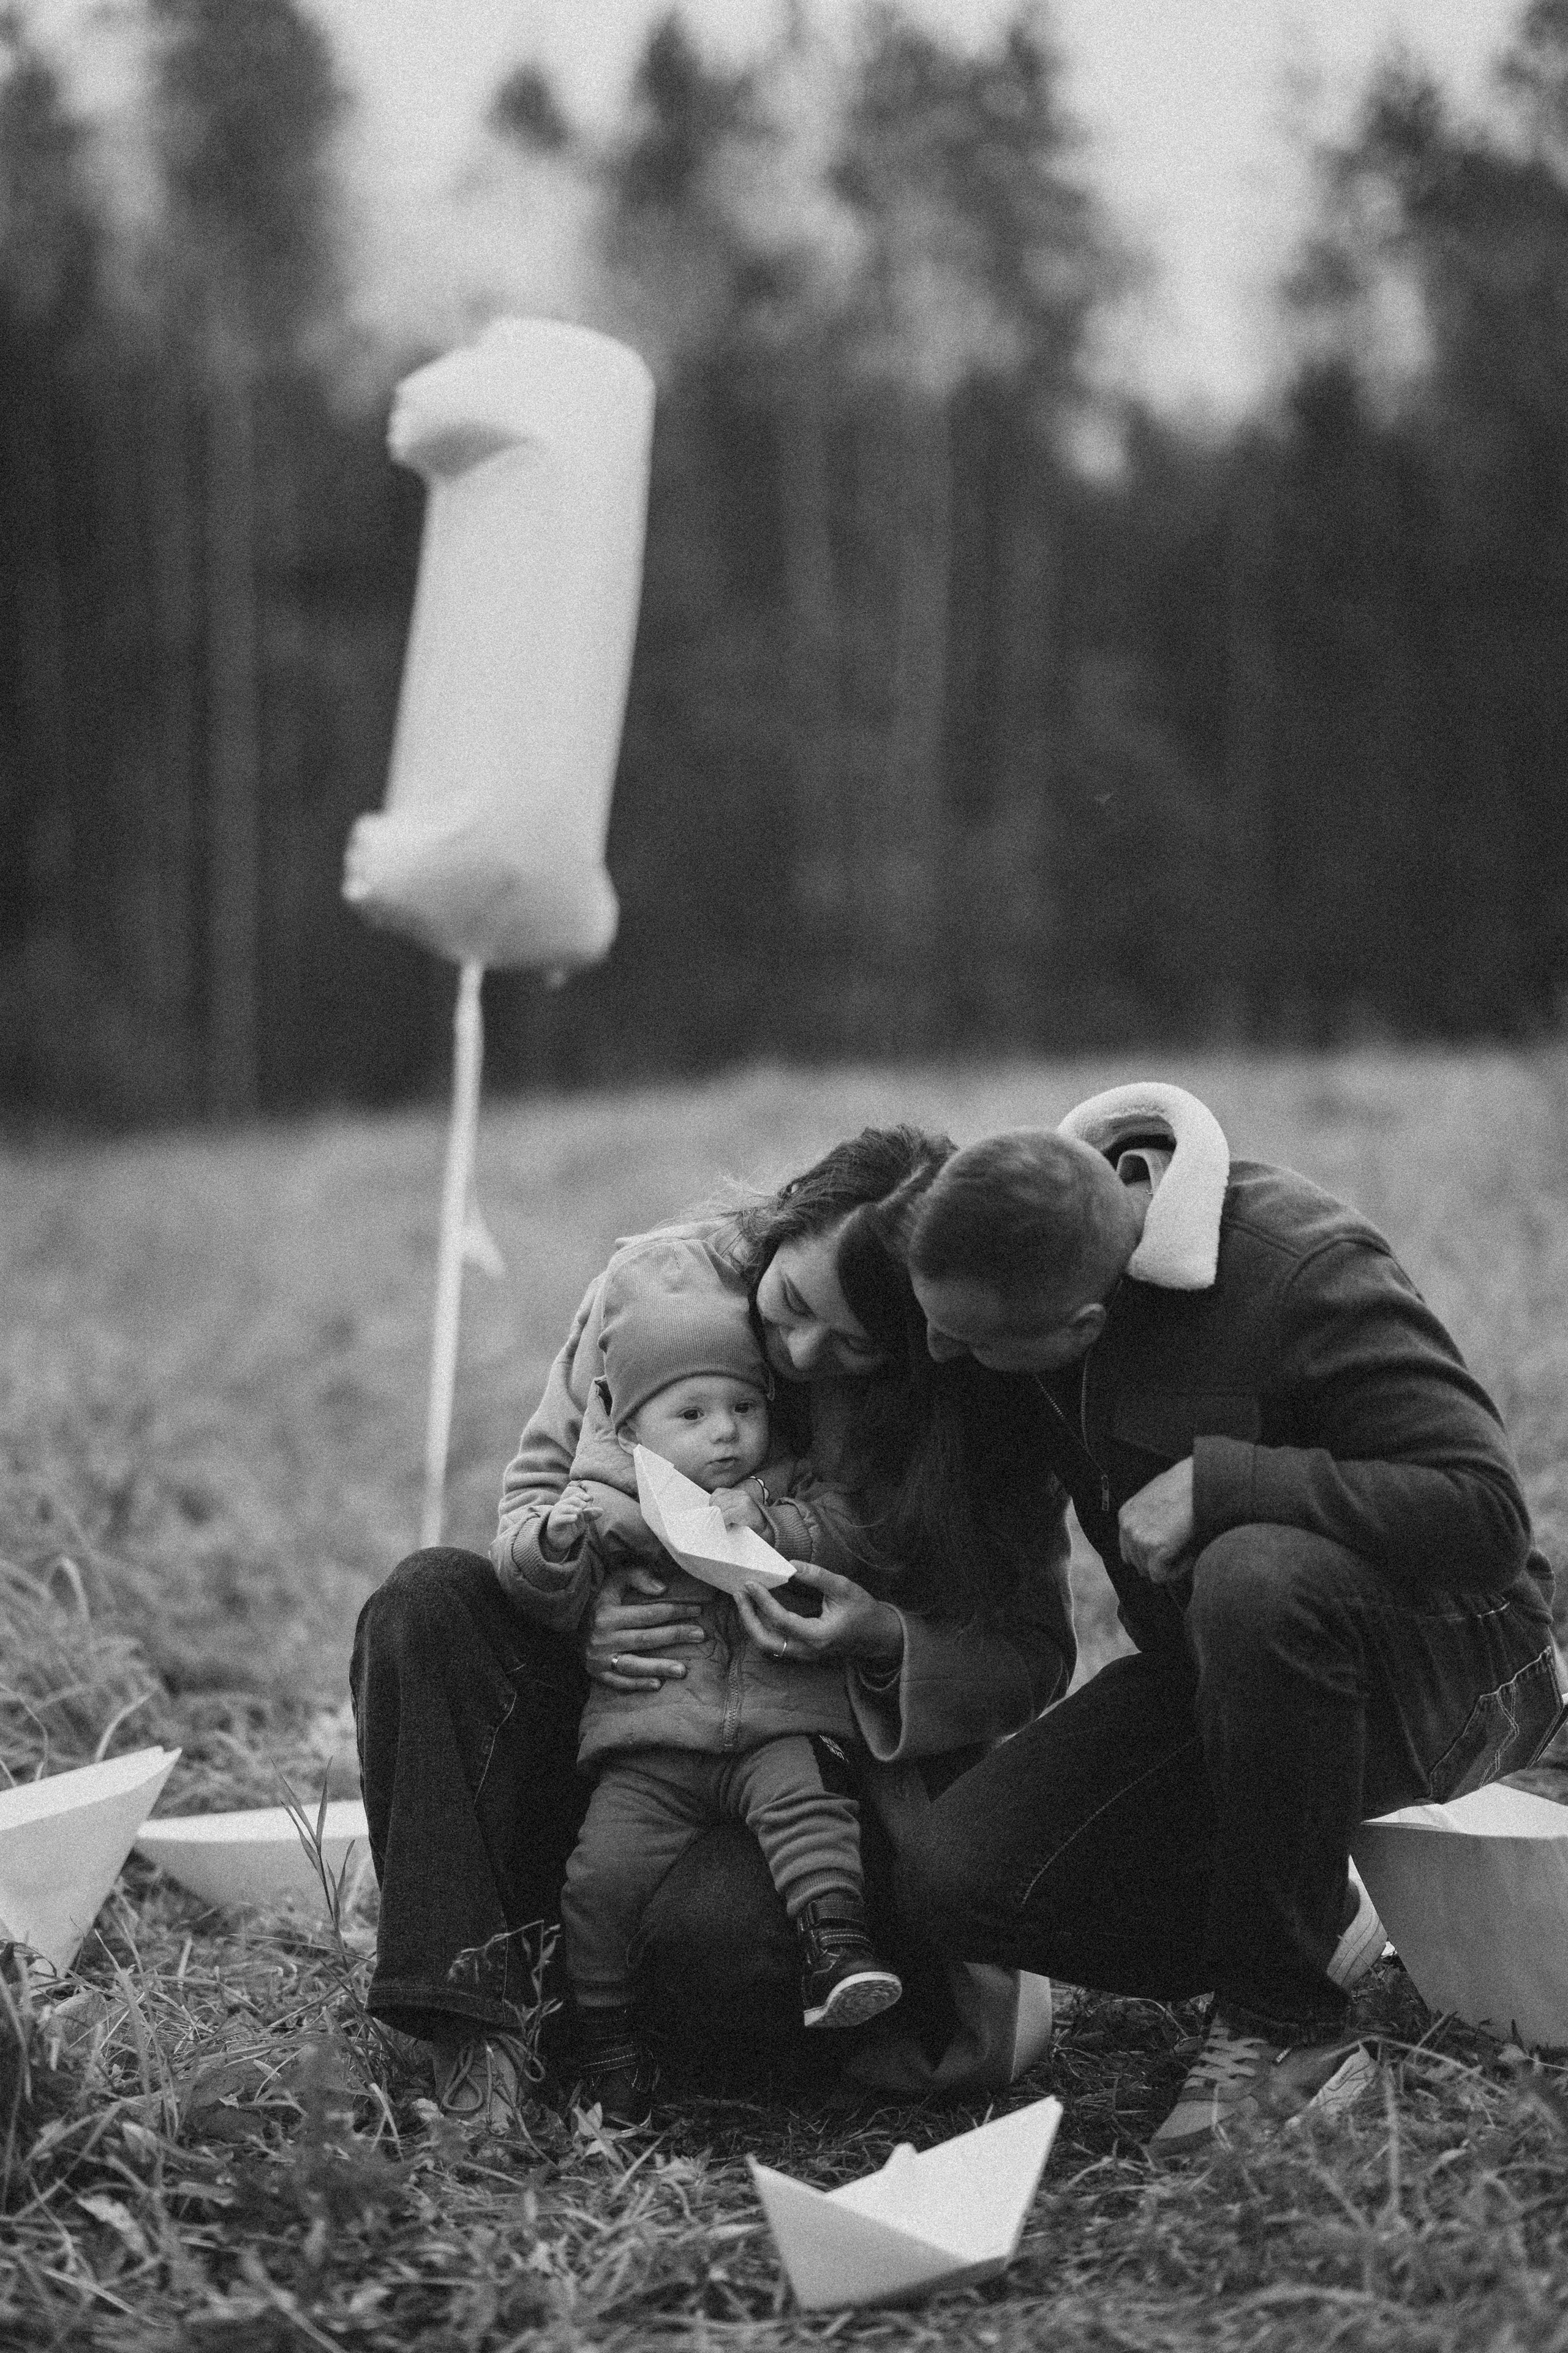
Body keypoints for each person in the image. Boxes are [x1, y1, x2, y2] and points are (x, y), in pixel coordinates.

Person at [351, 1126, 1072, 2131]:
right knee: (422, 1601)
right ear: (785, 1218)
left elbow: (1032, 1655)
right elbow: (532, 1506)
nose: (800, 1353)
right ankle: (472, 2010)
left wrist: (881, 1639)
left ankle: (613, 2019)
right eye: (790, 1304)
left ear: (928, 1342)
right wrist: (579, 1601)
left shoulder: (968, 1397)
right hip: (624, 1740)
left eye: (856, 1347)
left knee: (714, 1936)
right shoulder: (655, 1286)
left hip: (801, 1784)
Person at [892, 1081, 1566, 2156]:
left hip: (1454, 1669)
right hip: (1225, 1680)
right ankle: (1307, 1911)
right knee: (955, 1877)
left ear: (1082, 1328)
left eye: (967, 1341)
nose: (940, 1354)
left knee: (1253, 1572)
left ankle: (1287, 2021)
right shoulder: (1021, 1252)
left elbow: (1484, 1516)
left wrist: (1227, 1483)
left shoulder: (1302, 1267)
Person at [510, 1231, 902, 2123]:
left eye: (742, 1407)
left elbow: (847, 1531)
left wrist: (775, 1520)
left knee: (810, 1809)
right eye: (692, 1415)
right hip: (649, 1746)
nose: (726, 1432)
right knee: (598, 1879)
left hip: (775, 1722)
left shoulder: (785, 1482)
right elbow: (526, 1566)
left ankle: (836, 1947)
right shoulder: (604, 1497)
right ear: (631, 1425)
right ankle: (602, 2036)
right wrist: (565, 1550)